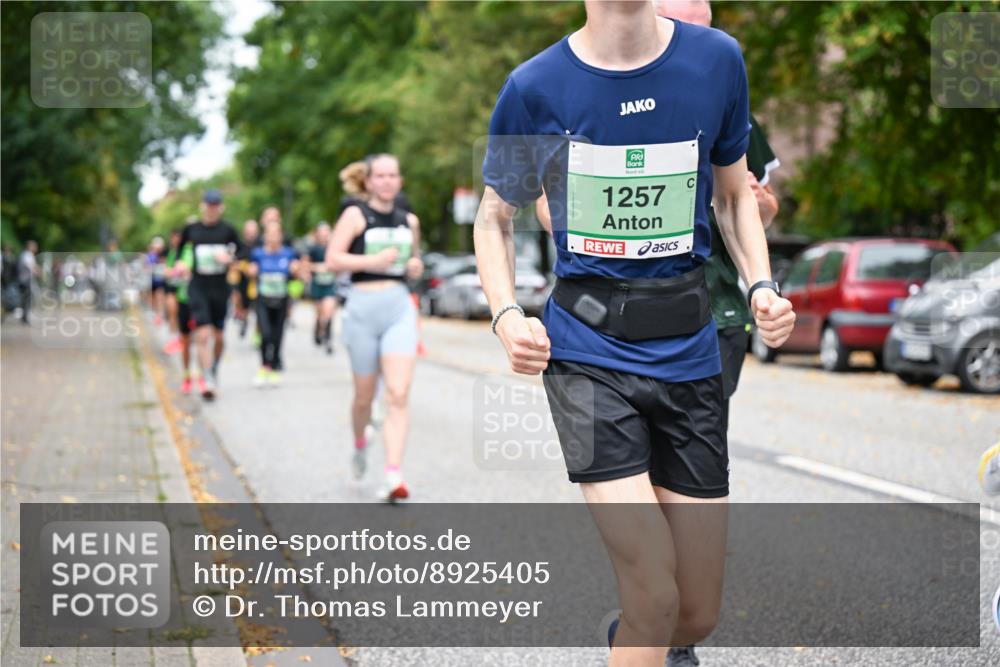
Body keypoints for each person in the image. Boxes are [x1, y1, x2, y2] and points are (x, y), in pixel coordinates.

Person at [475, 2, 795, 665]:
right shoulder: (533, 87)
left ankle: (633, 646)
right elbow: (493, 217)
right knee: (653, 588)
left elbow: (737, 195)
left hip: (689, 348)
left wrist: (760, 284)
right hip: (587, 354)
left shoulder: (716, 61)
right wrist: (507, 314)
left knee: (694, 613)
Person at [327, 154, 424, 501]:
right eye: (379, 176)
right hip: (362, 308)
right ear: (368, 182)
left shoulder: (408, 221)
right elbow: (332, 259)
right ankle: (359, 443)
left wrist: (414, 266)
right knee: (364, 397)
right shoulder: (355, 215)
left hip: (398, 307)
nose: (386, 181)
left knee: (398, 393)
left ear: (399, 181)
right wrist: (372, 261)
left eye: (392, 175)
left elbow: (414, 263)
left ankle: (394, 474)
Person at [178, 189, 241, 401]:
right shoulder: (192, 229)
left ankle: (213, 368)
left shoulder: (228, 230)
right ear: (202, 206)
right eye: (209, 205)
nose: (212, 209)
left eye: (216, 205)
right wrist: (180, 263)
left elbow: (242, 254)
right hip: (198, 286)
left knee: (219, 337)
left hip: (220, 287)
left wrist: (229, 259)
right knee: (203, 334)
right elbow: (179, 251)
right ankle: (206, 379)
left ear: (221, 207)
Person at [248, 221, 300, 386]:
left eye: (276, 234)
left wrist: (296, 270)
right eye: (270, 234)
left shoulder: (288, 254)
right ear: (265, 236)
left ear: (281, 236)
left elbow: (297, 272)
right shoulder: (258, 253)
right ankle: (264, 366)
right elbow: (251, 270)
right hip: (263, 299)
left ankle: (274, 365)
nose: (273, 237)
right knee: (265, 333)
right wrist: (252, 271)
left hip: (281, 299)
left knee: (277, 335)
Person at [167, 238, 197, 394]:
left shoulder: (203, 249)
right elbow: (168, 272)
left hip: (200, 301)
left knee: (201, 338)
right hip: (183, 299)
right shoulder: (178, 252)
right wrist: (177, 272)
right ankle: (187, 375)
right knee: (186, 340)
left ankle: (204, 375)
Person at [307, 222, 338, 355]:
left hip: (330, 284)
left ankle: (328, 338)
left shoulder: (335, 248)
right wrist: (317, 268)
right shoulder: (314, 249)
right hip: (318, 283)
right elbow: (306, 264)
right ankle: (318, 328)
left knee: (329, 310)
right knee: (320, 313)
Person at [230, 219, 260, 339]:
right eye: (248, 232)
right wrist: (243, 266)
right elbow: (233, 261)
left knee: (259, 309)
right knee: (242, 303)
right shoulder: (239, 245)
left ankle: (258, 334)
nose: (251, 234)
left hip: (258, 281)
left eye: (253, 232)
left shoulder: (261, 245)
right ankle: (243, 319)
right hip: (242, 280)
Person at [162, 228, 186, 355]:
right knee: (172, 311)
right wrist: (170, 272)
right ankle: (174, 338)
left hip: (183, 288)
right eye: (174, 237)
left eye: (178, 237)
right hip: (170, 286)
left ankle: (181, 338)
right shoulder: (170, 252)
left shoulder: (185, 251)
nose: (176, 240)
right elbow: (166, 269)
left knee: (180, 314)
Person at [146, 237, 167, 326]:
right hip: (152, 280)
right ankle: (154, 313)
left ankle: (160, 315)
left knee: (160, 297)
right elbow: (147, 266)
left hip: (161, 280)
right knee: (152, 298)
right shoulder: (151, 255)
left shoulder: (165, 254)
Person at [17, 240, 38, 324]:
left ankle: (25, 316)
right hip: (25, 280)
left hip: (27, 280)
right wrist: (38, 271)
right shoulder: (27, 255)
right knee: (26, 299)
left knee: (26, 299)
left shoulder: (28, 255)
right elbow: (30, 266)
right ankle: (25, 317)